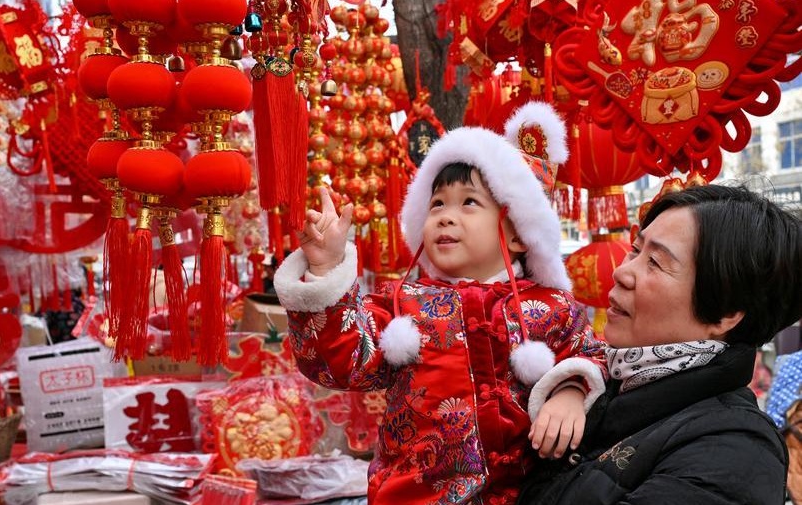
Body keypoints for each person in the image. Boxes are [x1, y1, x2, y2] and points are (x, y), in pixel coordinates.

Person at [274, 102, 607, 504]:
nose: (446, 217)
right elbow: (339, 362)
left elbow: (592, 355)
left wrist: (570, 389)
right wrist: (325, 268)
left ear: (519, 232)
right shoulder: (401, 304)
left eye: (469, 202)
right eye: (437, 204)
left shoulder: (553, 306)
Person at [518, 184, 802, 505]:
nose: (622, 272)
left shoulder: (736, 454)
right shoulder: (596, 382)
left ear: (726, 313)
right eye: (635, 250)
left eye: (655, 261)